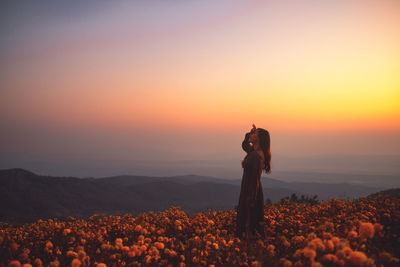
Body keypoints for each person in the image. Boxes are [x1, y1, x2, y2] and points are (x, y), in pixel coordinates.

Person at [236, 124, 271, 238]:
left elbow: (255, 179)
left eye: (254, 134)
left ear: (259, 139)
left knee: (250, 225)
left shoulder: (256, 156)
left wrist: (251, 199)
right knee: (250, 226)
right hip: (250, 189)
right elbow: (245, 145)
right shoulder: (254, 152)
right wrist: (249, 134)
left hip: (251, 191)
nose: (251, 135)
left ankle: (252, 251)